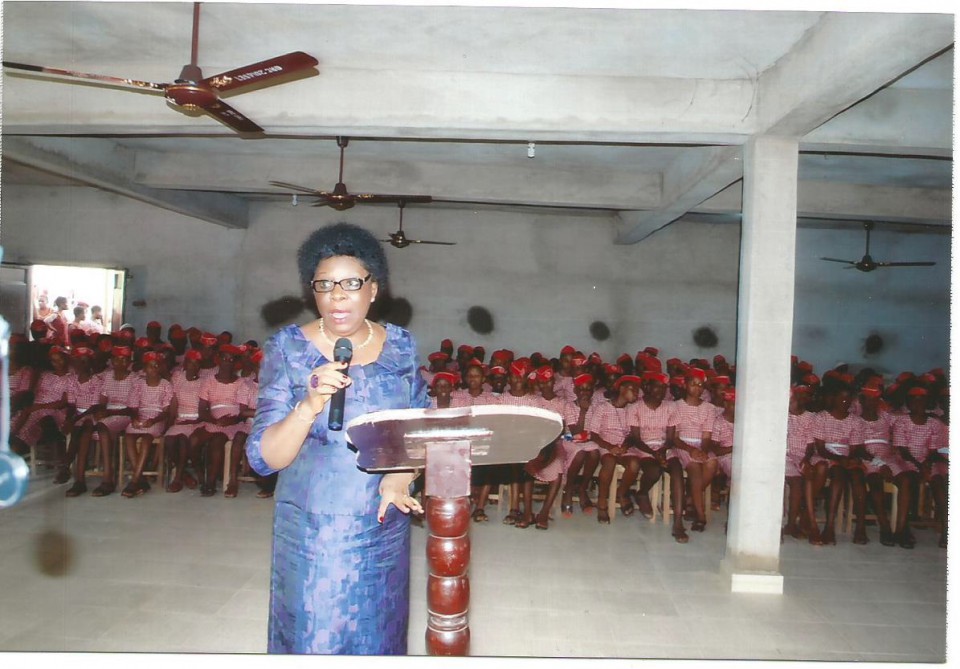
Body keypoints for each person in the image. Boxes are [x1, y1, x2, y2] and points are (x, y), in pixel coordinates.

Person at [246, 222, 429, 655]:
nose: (337, 296)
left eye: (351, 283)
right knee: (315, 638)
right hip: (313, 529)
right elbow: (263, 459)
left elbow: (419, 426)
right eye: (324, 285)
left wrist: (402, 474)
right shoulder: (288, 349)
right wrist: (308, 405)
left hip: (382, 520)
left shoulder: (401, 347)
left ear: (373, 289)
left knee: (378, 635)